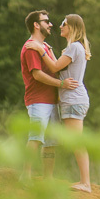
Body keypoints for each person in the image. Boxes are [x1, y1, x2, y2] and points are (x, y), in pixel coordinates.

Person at [26, 13, 92, 192]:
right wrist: (47, 51)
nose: (60, 26)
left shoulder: (74, 47)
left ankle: (86, 183)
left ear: (72, 27)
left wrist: (40, 50)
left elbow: (54, 67)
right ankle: (85, 181)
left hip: (73, 99)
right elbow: (59, 67)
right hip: (72, 99)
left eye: (64, 24)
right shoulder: (74, 48)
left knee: (76, 141)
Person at [20, 10, 78, 182]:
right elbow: (37, 75)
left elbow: (55, 68)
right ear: (36, 25)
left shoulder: (44, 47)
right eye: (46, 21)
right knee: (36, 138)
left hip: (51, 100)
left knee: (51, 142)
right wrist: (61, 84)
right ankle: (25, 176)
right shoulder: (31, 47)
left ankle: (48, 179)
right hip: (38, 100)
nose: (51, 24)